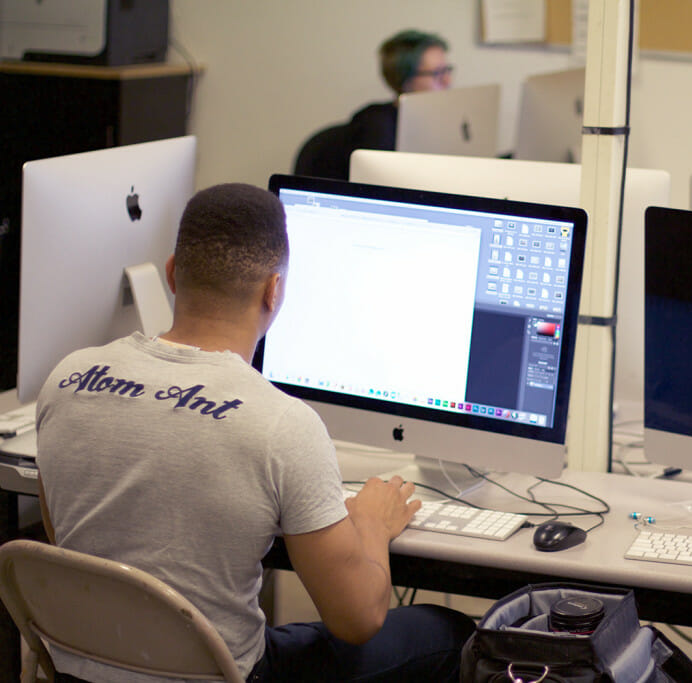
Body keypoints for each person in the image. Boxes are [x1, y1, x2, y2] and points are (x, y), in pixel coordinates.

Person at [34, 183, 475, 682]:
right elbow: (358, 620)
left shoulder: (66, 379)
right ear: (274, 290)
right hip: (222, 674)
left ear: (173, 274)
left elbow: (65, 535)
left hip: (80, 670)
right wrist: (371, 526)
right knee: (446, 633)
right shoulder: (282, 424)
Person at [295, 30, 452, 180]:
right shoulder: (377, 126)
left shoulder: (436, 126)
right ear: (404, 77)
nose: (447, 81)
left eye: (448, 71)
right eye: (437, 74)